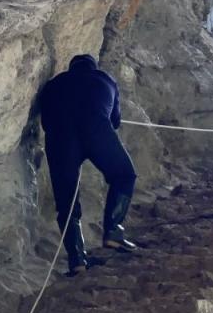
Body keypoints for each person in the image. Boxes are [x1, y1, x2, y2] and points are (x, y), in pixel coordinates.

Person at [38, 54, 138, 276]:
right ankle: (113, 231)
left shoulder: (53, 85)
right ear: (93, 67)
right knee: (124, 175)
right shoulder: (105, 79)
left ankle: (77, 260)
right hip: (96, 129)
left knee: (66, 202)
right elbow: (115, 121)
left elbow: (45, 121)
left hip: (59, 138)